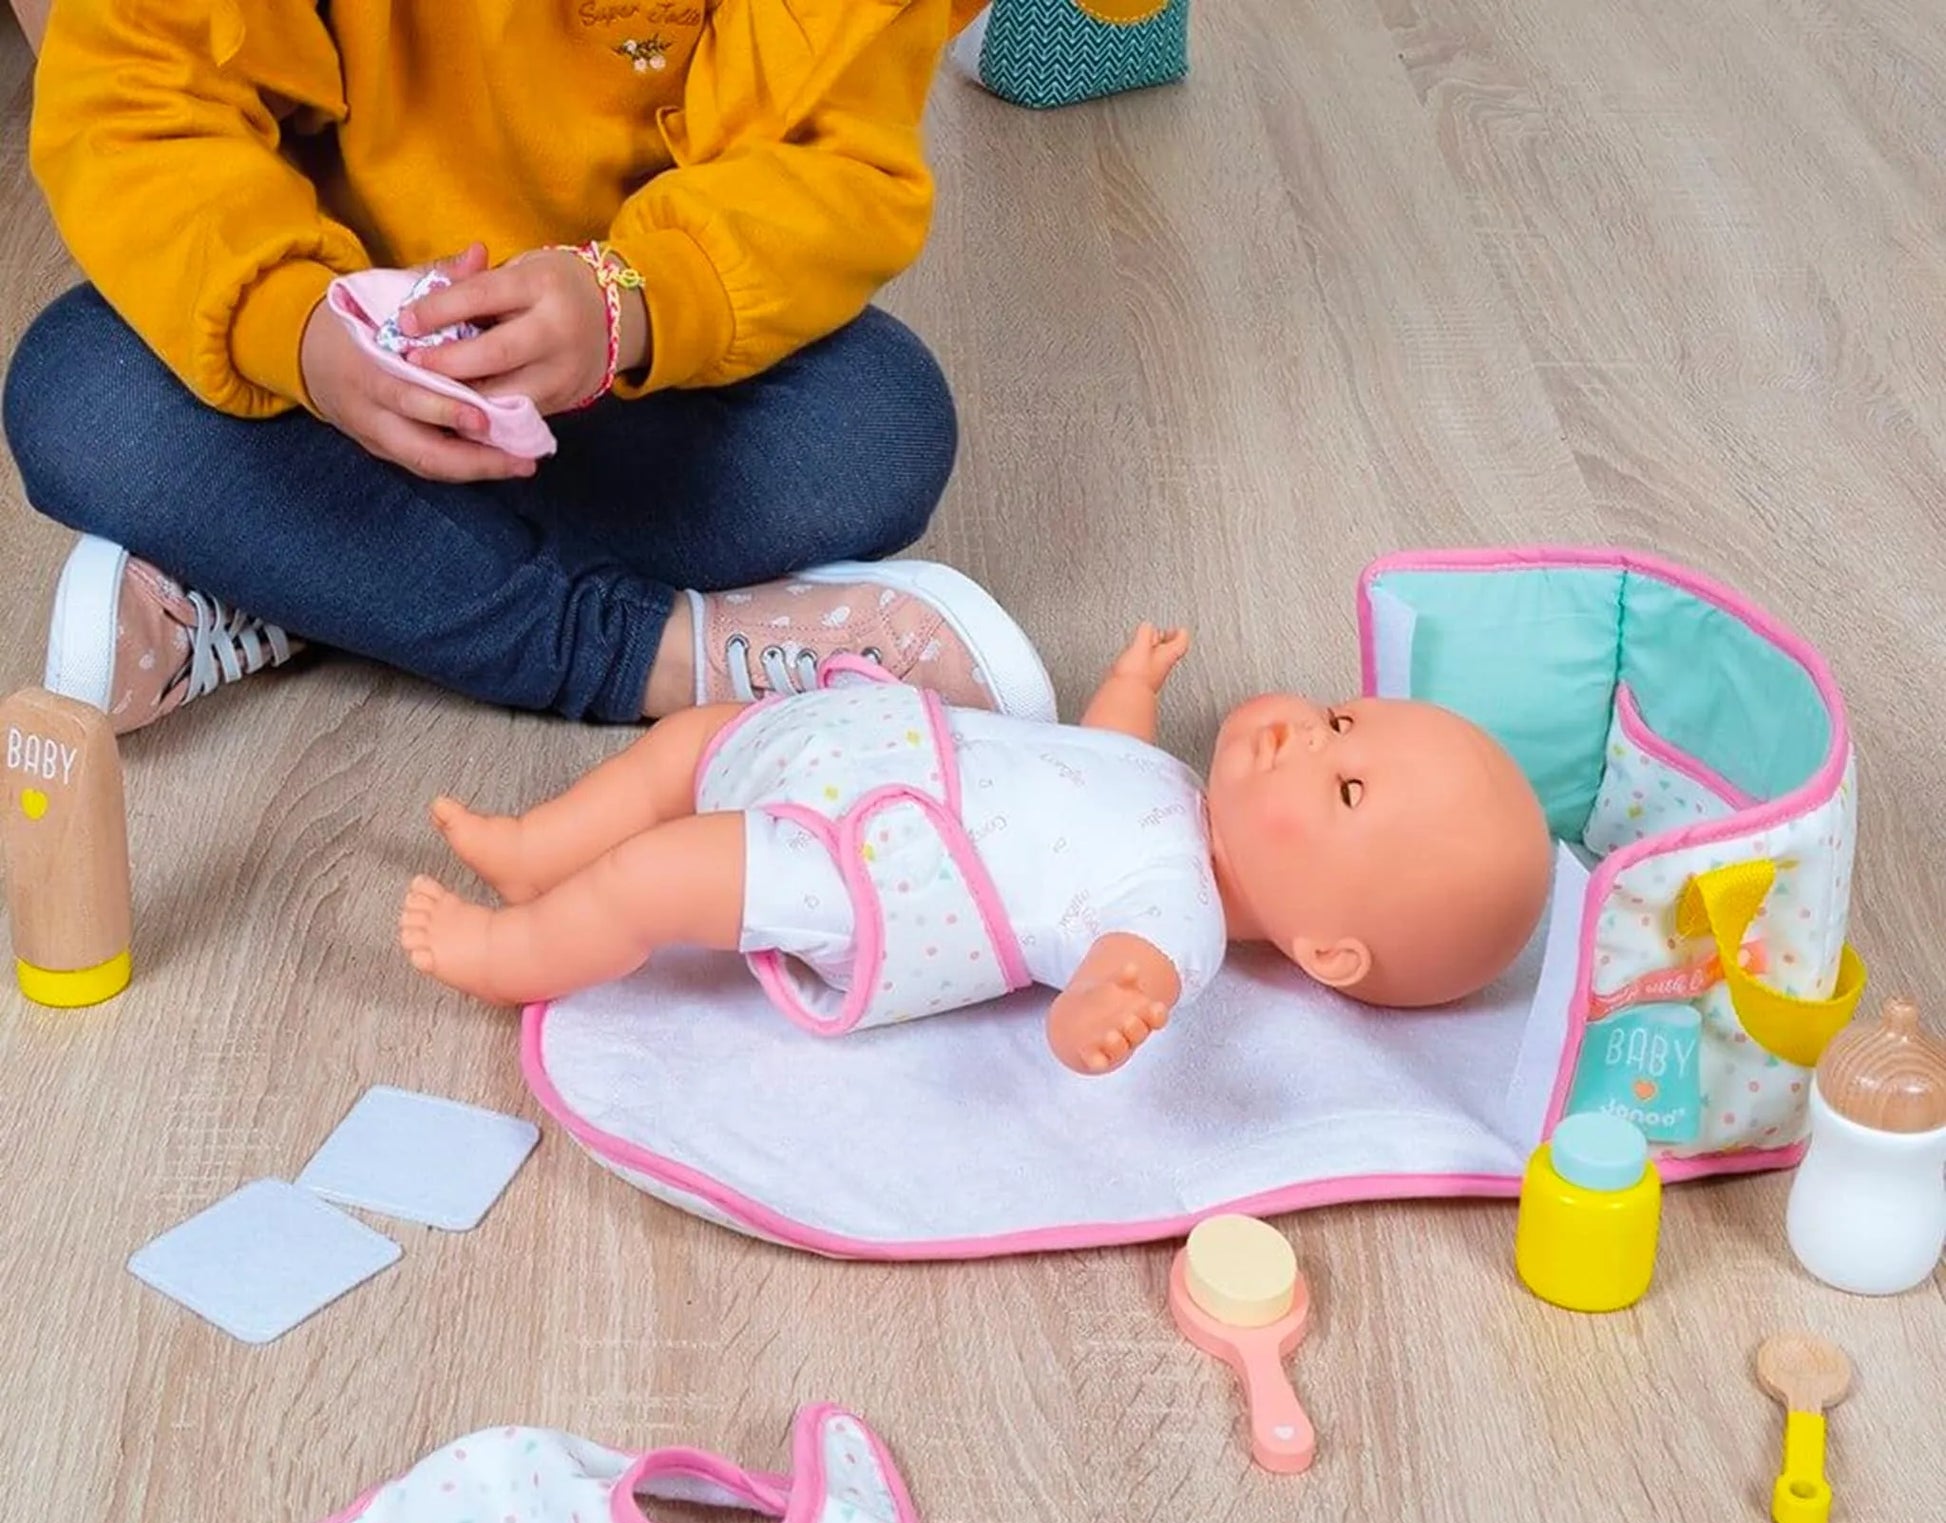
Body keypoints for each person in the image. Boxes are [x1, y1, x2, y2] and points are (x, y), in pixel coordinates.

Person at [1, 0, 1054, 735]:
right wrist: (294, 329)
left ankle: (300, 573)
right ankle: (653, 654)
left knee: (870, 427)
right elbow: (138, 98)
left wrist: (636, 302)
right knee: (82, 393)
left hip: (631, 372)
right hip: (320, 370)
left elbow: (824, 162)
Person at [398, 626, 1556, 1069]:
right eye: (1343, 718)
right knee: (693, 743)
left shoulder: (1181, 917)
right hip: (876, 753)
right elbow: (1101, 769)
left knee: (665, 873)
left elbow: (1121, 970)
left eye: (1341, 779)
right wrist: (1128, 689)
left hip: (889, 869)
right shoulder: (1181, 794)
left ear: (1327, 949)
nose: (1310, 731)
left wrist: (1100, 1012)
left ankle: (510, 948)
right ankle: (529, 850)